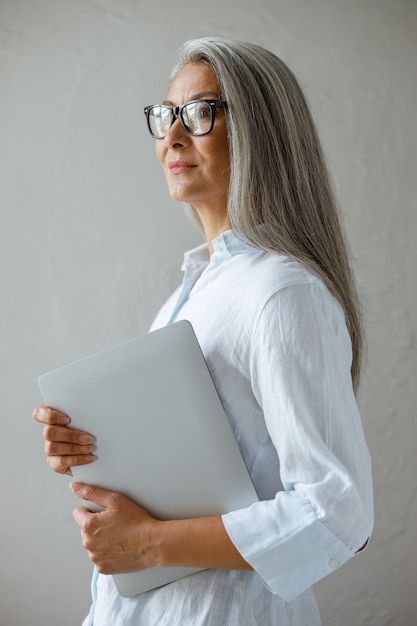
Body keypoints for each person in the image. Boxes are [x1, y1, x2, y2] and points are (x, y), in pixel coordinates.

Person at [33, 37, 373, 625]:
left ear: (261, 131)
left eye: (200, 112)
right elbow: (190, 472)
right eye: (166, 115)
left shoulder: (283, 293)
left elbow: (337, 513)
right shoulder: (189, 293)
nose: (172, 135)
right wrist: (94, 456)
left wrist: (145, 544)